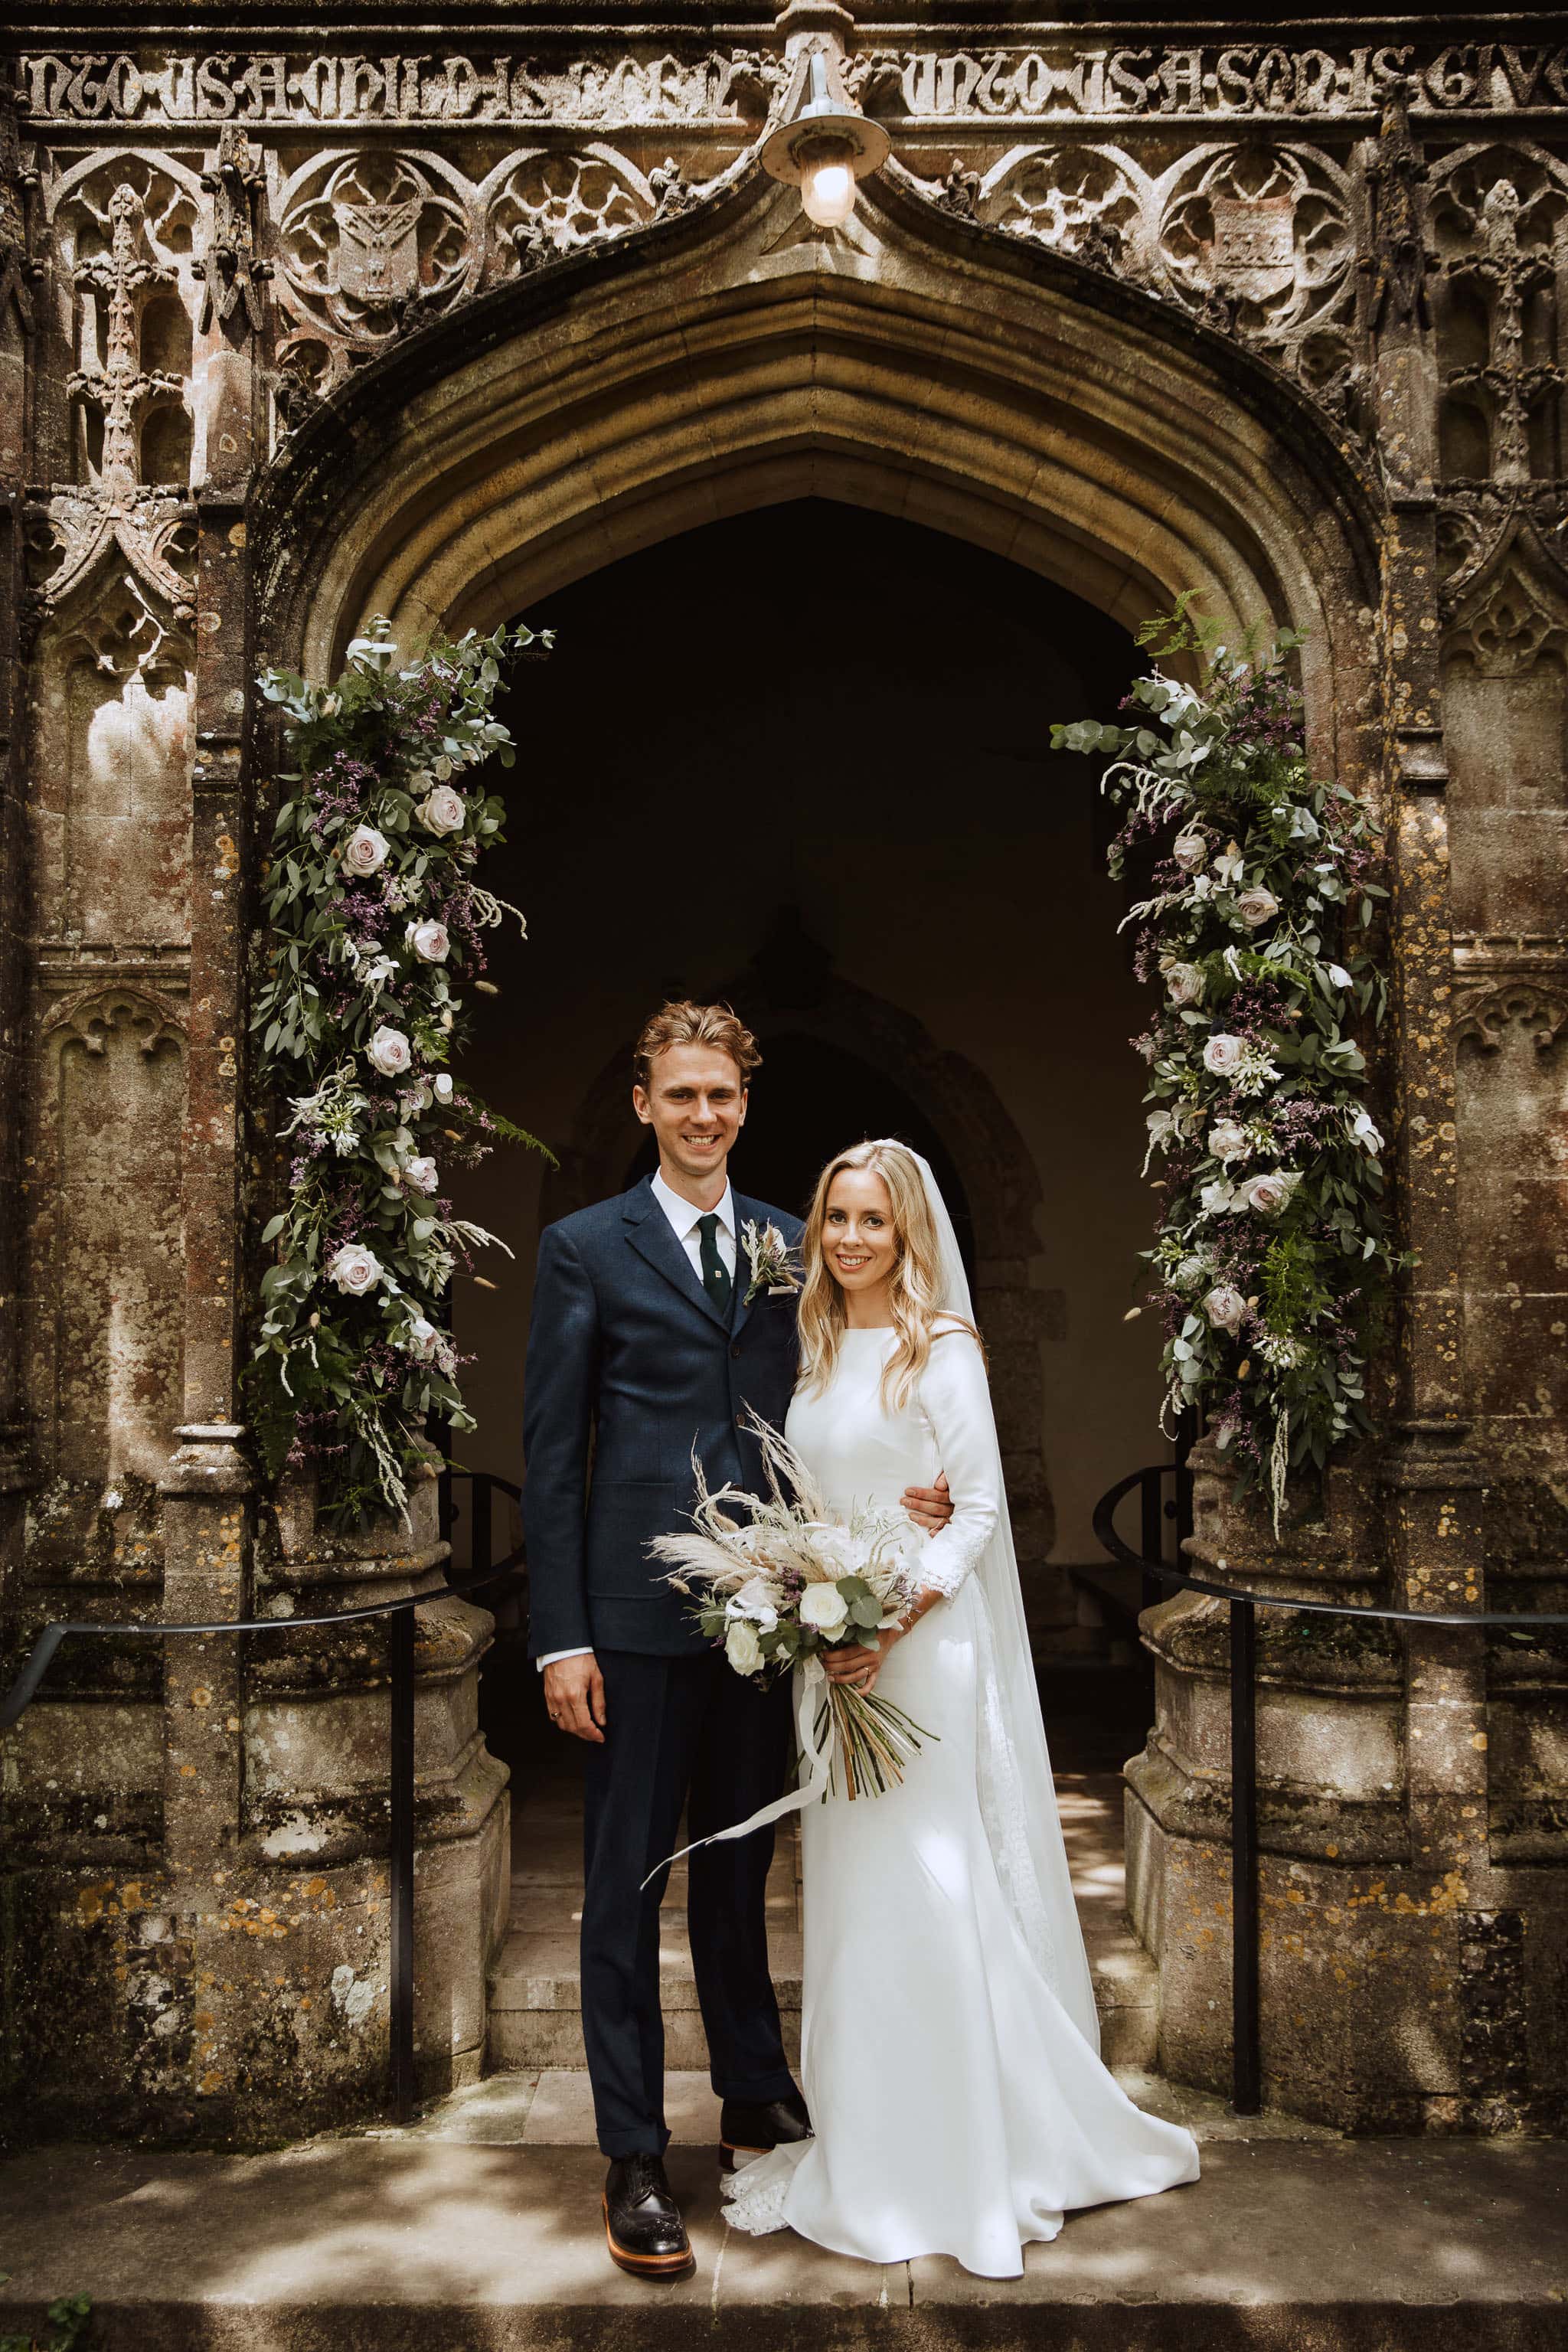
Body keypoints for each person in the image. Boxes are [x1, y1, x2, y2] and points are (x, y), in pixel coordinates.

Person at [522, 1007, 954, 2282]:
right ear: (645, 1105)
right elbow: (553, 1458)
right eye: (681, 1095)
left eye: (723, 1095)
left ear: (744, 1106)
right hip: (633, 1618)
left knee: (740, 1870)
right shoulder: (583, 1248)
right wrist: (561, 1640)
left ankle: (755, 2097)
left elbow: (843, 1396)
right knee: (627, 1883)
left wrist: (913, 1494)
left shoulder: (791, 1242)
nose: (703, 1115)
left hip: (769, 1611)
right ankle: (635, 2151)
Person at [720, 1139, 1201, 2277]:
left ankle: (966, 2159)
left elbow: (976, 1514)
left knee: (931, 1890)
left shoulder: (943, 1351)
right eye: (834, 1217)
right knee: (848, 1899)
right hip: (828, 1659)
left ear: (908, 1236)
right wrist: (802, 1600)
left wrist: (883, 1623)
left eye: (871, 1222)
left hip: (917, 1654)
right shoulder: (819, 1341)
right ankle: (875, 2142)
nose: (847, 1239)